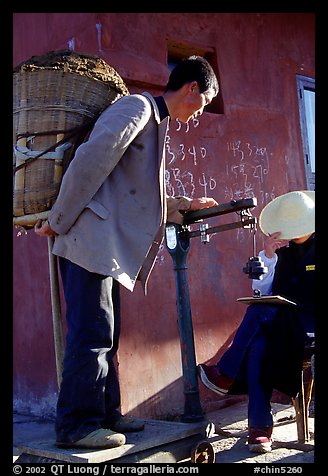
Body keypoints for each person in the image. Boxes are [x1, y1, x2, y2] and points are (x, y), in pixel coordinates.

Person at [34, 55, 219, 449]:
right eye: (203, 105)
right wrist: (58, 219)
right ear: (192, 90)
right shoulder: (136, 108)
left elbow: (139, 196)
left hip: (107, 248)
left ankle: (106, 413)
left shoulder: (155, 122)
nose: (198, 115)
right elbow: (90, 161)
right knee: (92, 333)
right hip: (88, 241)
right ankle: (76, 426)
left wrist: (184, 204)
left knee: (108, 334)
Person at [197, 190, 315, 453]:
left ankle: (226, 373)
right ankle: (259, 428)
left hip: (310, 325)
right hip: (282, 323)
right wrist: (269, 256)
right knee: (259, 344)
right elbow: (261, 291)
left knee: (260, 314)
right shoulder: (280, 254)